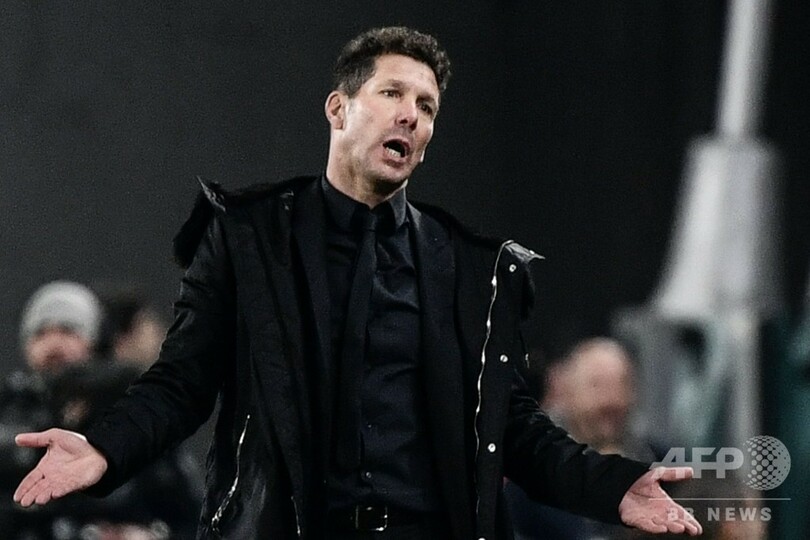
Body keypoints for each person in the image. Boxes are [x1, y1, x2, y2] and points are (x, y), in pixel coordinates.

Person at [12, 27, 702, 539]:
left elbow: (513, 428)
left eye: (427, 106)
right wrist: (104, 447)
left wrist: (612, 488)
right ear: (338, 109)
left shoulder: (472, 271)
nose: (411, 115)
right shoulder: (250, 239)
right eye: (392, 93)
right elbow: (181, 384)